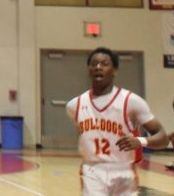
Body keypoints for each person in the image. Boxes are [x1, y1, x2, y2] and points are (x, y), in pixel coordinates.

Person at [67, 47, 168, 195]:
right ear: (88, 69)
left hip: (123, 170)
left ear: (114, 70)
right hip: (92, 169)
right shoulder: (74, 105)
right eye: (94, 64)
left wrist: (140, 141)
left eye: (104, 64)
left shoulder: (131, 101)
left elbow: (163, 138)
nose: (98, 67)